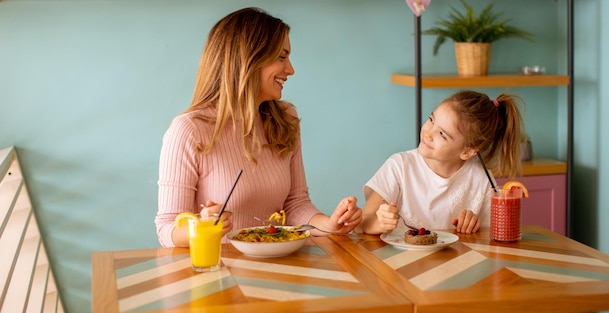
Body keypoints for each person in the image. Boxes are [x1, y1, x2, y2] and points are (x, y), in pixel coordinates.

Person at [155, 7, 362, 248]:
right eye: (282, 57)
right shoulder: (189, 130)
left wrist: (329, 224)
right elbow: (166, 228)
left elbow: (295, 204)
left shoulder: (286, 118)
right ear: (249, 59)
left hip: (278, 268)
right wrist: (200, 227)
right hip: (217, 272)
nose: (291, 69)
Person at [358, 90, 525, 235]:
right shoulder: (399, 166)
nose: (428, 133)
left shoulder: (481, 179)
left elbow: (491, 235)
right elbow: (363, 222)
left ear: (467, 152)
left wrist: (473, 225)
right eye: (431, 119)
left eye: (442, 134)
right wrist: (379, 223)